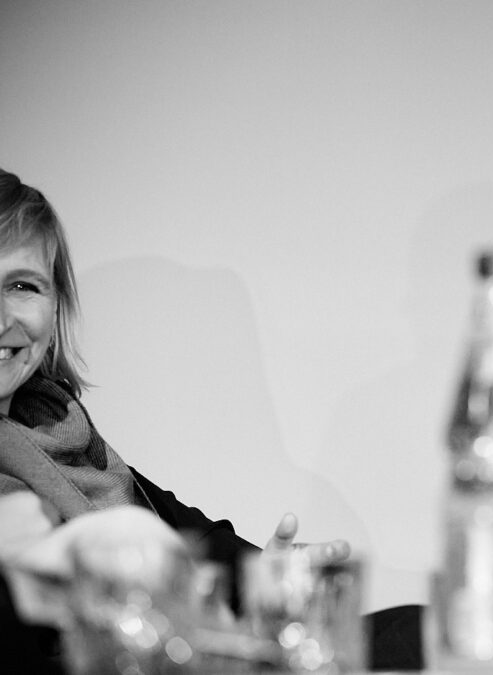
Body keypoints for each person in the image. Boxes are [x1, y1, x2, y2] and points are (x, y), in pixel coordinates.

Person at [0, 169, 422, 671]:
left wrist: (267, 578)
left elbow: (202, 547)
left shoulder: (65, 437)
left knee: (415, 630)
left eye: (22, 285)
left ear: (55, 309)